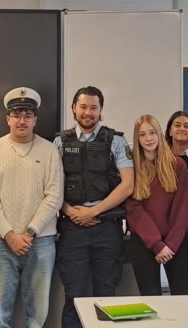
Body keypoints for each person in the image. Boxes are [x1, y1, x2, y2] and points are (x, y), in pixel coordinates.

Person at [0, 87, 63, 328]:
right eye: (16, 115)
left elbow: (54, 196)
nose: (22, 121)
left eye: (28, 115)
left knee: (37, 315)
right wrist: (10, 235)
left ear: (36, 119)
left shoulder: (49, 150)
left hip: (40, 242)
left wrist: (28, 234)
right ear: (8, 118)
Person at [53, 86, 134, 328]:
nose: (88, 112)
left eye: (93, 107)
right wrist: (70, 211)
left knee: (106, 295)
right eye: (83, 107)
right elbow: (51, 185)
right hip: (72, 228)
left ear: (101, 110)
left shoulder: (116, 141)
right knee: (74, 296)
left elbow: (128, 185)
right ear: (73, 108)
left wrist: (93, 211)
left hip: (106, 227)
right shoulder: (59, 142)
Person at [126, 114, 188, 296]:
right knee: (150, 297)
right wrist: (156, 244)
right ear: (137, 139)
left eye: (152, 133)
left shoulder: (177, 165)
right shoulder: (131, 168)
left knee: (183, 295)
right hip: (144, 241)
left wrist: (170, 245)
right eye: (142, 134)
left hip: (174, 242)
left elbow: (182, 209)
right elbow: (134, 210)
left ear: (160, 134)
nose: (148, 138)